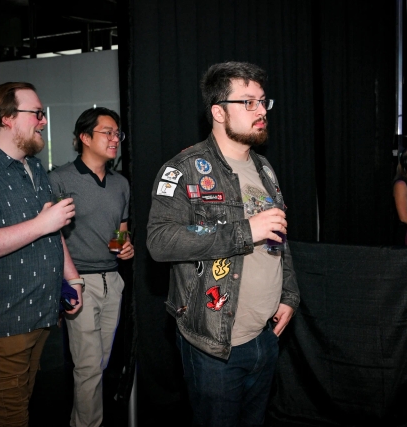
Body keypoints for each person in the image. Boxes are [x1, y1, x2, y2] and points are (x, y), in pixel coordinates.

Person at [146, 61, 300, 427]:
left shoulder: (264, 168)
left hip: (266, 336)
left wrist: (289, 294)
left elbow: (279, 235)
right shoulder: (182, 169)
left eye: (263, 102)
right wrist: (245, 230)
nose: (261, 111)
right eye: (248, 103)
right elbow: (159, 240)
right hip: (214, 346)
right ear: (218, 111)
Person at [0, 81, 84, 427]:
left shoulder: (34, 167)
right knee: (9, 417)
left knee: (22, 404)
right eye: (36, 113)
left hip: (39, 314)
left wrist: (72, 277)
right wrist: (42, 223)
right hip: (1, 323)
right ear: (7, 117)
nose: (43, 120)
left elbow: (52, 230)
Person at [48, 107, 134, 427]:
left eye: (117, 134)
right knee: (87, 366)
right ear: (85, 137)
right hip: (79, 281)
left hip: (113, 279)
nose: (115, 139)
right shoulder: (58, 179)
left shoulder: (120, 183)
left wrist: (124, 245)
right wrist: (64, 284)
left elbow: (119, 231)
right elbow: (49, 235)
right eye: (107, 133)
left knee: (99, 363)